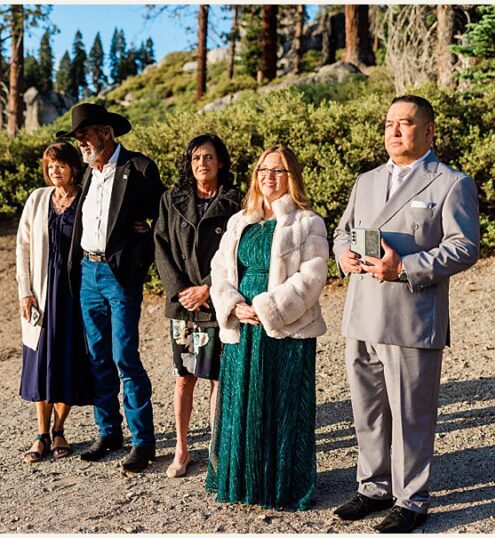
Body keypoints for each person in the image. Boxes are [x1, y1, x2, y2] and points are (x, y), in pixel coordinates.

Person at [330, 95, 480, 533]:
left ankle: (411, 499)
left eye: (406, 123)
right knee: (368, 410)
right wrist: (343, 256)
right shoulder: (367, 180)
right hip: (361, 311)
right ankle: (373, 487)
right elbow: (342, 230)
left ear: (429, 131)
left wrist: (406, 267)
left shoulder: (451, 183)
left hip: (411, 315)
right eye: (389, 123)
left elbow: (464, 246)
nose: (394, 131)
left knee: (412, 414)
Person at [204, 145, 329, 511]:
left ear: (292, 177)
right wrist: (233, 305)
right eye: (263, 170)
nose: (268, 177)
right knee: (242, 402)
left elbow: (313, 277)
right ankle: (242, 479)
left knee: (282, 403)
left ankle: (282, 484)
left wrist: (267, 308)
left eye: (278, 171)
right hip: (243, 326)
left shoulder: (308, 222)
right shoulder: (240, 220)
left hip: (285, 328)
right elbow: (220, 271)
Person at [56, 102, 167, 470]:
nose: (81, 143)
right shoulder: (88, 173)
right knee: (98, 357)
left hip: (120, 276)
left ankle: (143, 441)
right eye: (77, 138)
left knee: (124, 356)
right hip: (89, 273)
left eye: (85, 135)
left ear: (105, 131)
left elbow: (164, 218)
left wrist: (145, 243)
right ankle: (108, 432)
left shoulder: (139, 167)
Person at [152, 133, 244, 478]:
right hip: (182, 305)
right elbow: (160, 246)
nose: (201, 164)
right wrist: (180, 290)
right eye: (195, 159)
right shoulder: (171, 200)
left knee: (218, 379)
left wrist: (208, 288)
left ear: (220, 162)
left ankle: (217, 450)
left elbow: (237, 251)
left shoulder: (236, 201)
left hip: (218, 300)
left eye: (208, 157)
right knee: (184, 377)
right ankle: (182, 448)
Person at [14, 142, 95, 462]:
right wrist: (24, 290)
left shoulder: (87, 197)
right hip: (41, 291)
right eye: (49, 166)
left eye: (60, 165)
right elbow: (22, 247)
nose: (54, 171)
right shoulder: (37, 199)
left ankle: (60, 429)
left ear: (74, 166)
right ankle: (41, 433)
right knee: (40, 363)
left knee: (68, 364)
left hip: (76, 293)